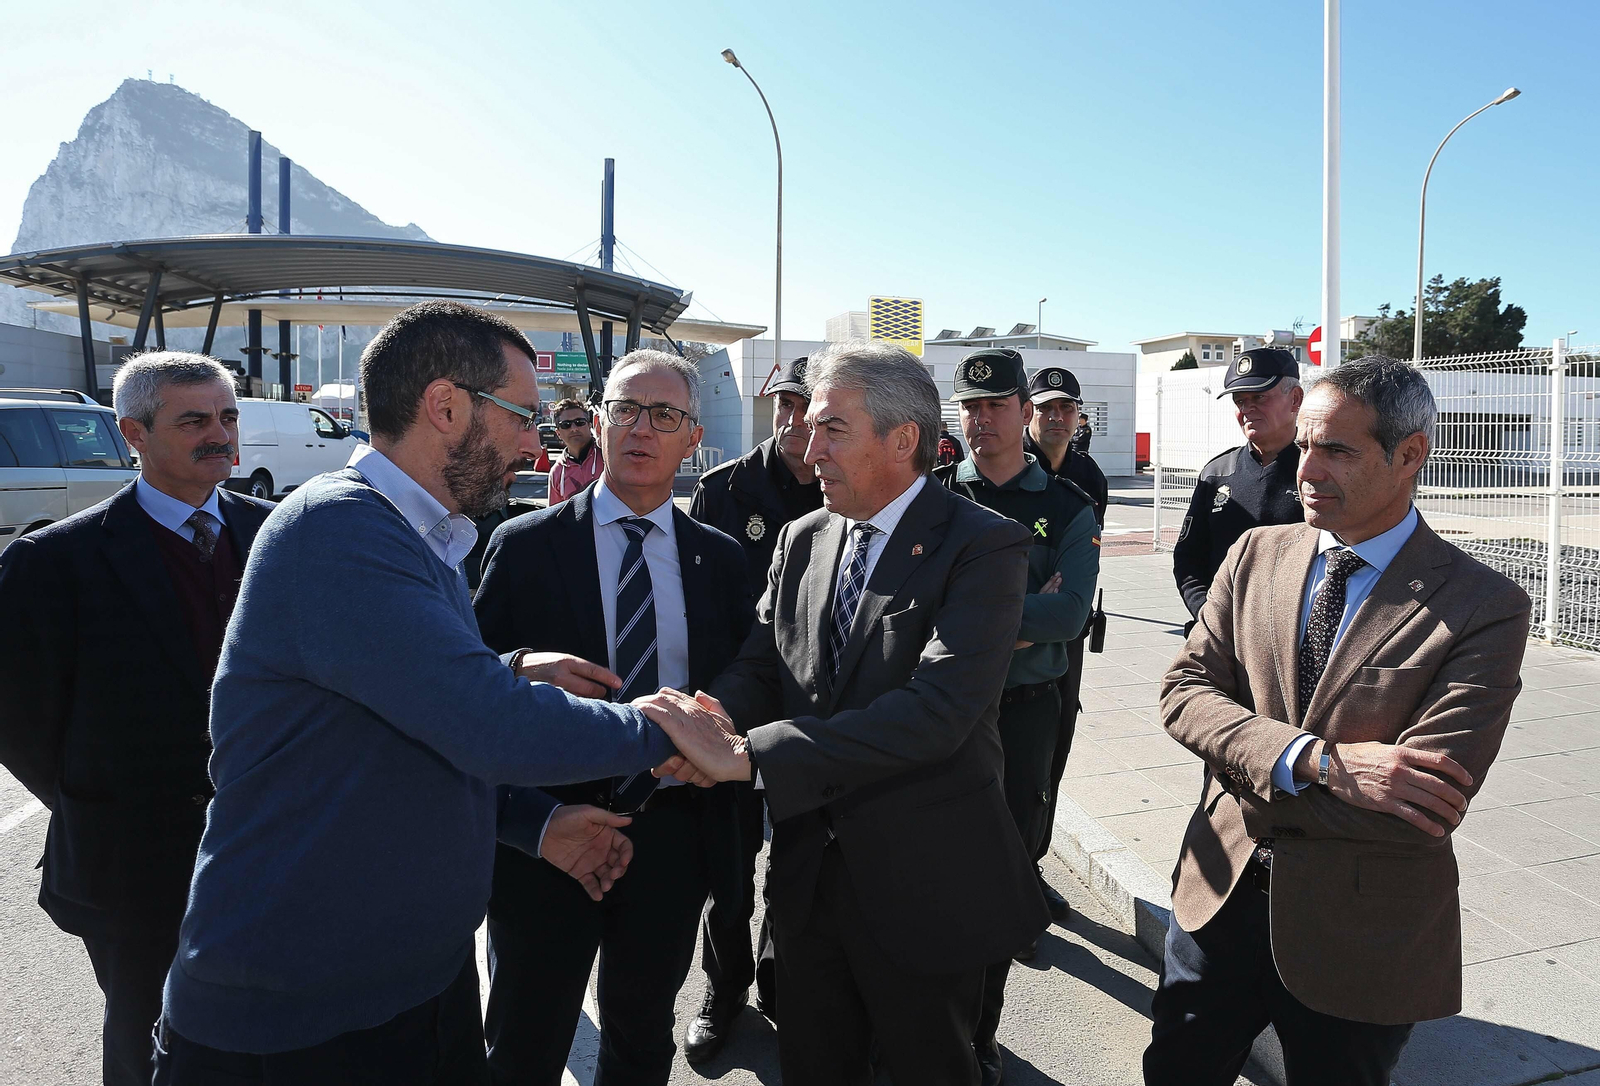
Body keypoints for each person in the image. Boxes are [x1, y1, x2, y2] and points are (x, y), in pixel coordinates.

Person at [152, 302, 696, 1085]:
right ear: (446, 407)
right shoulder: (339, 532)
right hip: (296, 1023)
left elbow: (411, 740)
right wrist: (664, 730)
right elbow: (488, 725)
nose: (533, 441)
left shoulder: (423, 539)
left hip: (410, 993)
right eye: (521, 417)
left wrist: (537, 825)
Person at [643, 340, 1048, 1086]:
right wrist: (707, 718)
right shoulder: (803, 538)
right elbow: (764, 663)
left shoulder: (984, 546)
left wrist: (751, 756)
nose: (807, 443)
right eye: (808, 426)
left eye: (832, 428)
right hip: (807, 883)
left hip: (924, 883)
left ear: (902, 440)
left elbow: (937, 711)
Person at [1145, 357, 1532, 1086]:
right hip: (1215, 903)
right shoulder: (1255, 553)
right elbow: (1183, 694)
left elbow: (1416, 805)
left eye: (1338, 450)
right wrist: (1319, 762)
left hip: (1359, 936)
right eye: (1306, 446)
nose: (1307, 470)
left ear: (1409, 454)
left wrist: (1239, 761)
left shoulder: (1484, 607)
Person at [472, 349, 752, 1086]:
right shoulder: (523, 545)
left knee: (639, 1037)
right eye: (625, 409)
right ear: (597, 422)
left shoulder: (719, 561)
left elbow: (747, 676)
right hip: (549, 838)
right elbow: (470, 678)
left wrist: (709, 727)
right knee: (524, 1038)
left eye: (665, 415)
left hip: (670, 833)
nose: (641, 429)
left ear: (693, 438)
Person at [0, 352, 274, 1086]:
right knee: (149, 1046)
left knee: (269, 1038)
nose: (220, 435)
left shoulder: (281, 537)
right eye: (194, 421)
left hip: (273, 849)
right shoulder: (54, 562)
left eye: (227, 417)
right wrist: (98, 799)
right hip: (130, 869)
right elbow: (21, 718)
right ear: (134, 433)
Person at [936, 349, 1100, 1086]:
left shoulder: (1067, 507)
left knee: (1002, 879)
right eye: (969, 407)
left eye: (995, 405)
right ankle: (927, 1027)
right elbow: (910, 606)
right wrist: (1016, 617)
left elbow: (1069, 614)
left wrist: (968, 610)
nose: (980, 420)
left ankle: (980, 1034)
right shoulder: (933, 497)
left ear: (1026, 414)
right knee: (930, 873)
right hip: (940, 713)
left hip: (1026, 712)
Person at [682, 353, 821, 1056]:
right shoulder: (723, 490)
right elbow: (705, 610)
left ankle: (778, 975)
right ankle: (725, 983)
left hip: (813, 715)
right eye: (786, 405)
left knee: (801, 856)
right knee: (729, 868)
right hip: (735, 704)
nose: (795, 421)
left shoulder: (844, 487)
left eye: (809, 406)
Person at [1022, 364, 1109, 922]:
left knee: (1053, 750)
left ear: (1079, 417)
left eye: (1067, 408)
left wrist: (1059, 600)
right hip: (1007, 645)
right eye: (1046, 407)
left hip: (1066, 634)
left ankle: (1030, 864)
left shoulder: (1088, 477)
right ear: (1028, 411)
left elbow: (1079, 574)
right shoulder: (1008, 467)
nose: (1057, 417)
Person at [1172, 347, 1305, 624]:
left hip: (1295, 636)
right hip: (1222, 635)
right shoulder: (1217, 473)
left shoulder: (1319, 470)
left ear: (1295, 399)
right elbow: (1188, 558)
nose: (1247, 409)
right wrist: (1208, 615)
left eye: (1259, 397)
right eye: (1240, 401)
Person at [546, 396, 602, 504]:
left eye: (580, 422)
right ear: (558, 433)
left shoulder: (607, 456)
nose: (574, 428)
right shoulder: (557, 472)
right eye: (566, 425)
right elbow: (555, 516)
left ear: (590, 425)